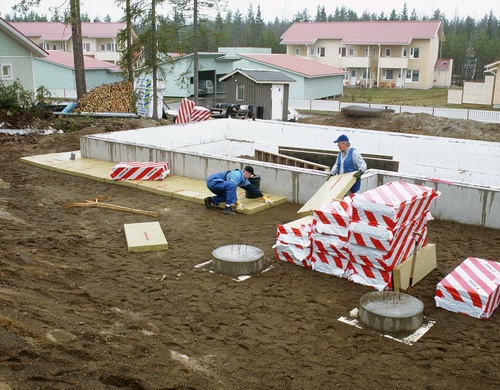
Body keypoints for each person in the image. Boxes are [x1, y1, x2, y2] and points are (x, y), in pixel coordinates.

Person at [204, 165, 273, 215]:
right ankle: (227, 208)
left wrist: (263, 197)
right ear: (247, 173)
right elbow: (231, 186)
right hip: (213, 182)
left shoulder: (243, 179)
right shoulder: (236, 175)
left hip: (219, 184)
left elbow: (251, 188)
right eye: (251, 175)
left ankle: (211, 200)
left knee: (230, 196)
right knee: (232, 187)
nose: (250, 177)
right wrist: (237, 203)